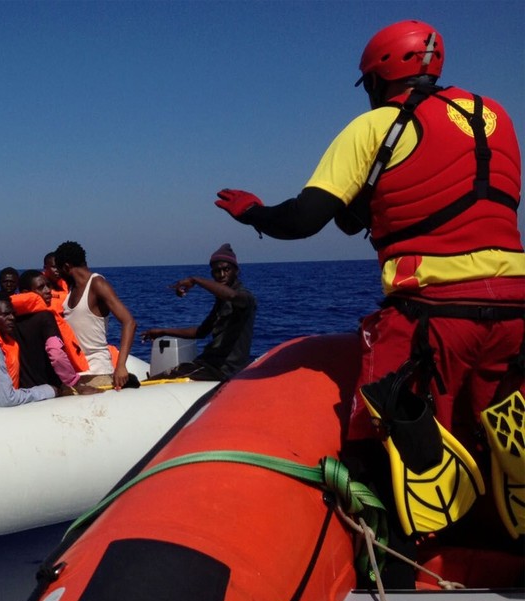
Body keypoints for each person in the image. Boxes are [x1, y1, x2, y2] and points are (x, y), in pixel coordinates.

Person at [214, 21, 524, 547]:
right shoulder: (496, 119)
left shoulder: (376, 126)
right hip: (516, 311)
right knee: (502, 435)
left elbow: (304, 219)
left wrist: (253, 214)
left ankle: (407, 562)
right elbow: (440, 195)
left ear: (378, 79)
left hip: (432, 314)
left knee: (404, 444)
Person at [142, 243, 256, 381]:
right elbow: (201, 332)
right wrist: (163, 332)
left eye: (227, 269)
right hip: (206, 364)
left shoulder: (245, 298)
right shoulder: (221, 301)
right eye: (216, 271)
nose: (221, 275)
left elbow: (232, 296)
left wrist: (195, 280)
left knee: (157, 382)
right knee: (161, 377)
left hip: (220, 370)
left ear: (236, 271)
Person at [55, 241, 137, 390]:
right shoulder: (71, 289)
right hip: (77, 372)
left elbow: (129, 322)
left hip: (98, 371)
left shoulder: (97, 284)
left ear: (66, 267)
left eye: (59, 270)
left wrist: (121, 366)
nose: (58, 275)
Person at [13, 270, 88, 389]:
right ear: (26, 293)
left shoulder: (11, 319)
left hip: (25, 390)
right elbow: (56, 354)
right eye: (41, 287)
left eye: (48, 285)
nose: (48, 291)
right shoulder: (46, 317)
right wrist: (75, 383)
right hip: (50, 388)